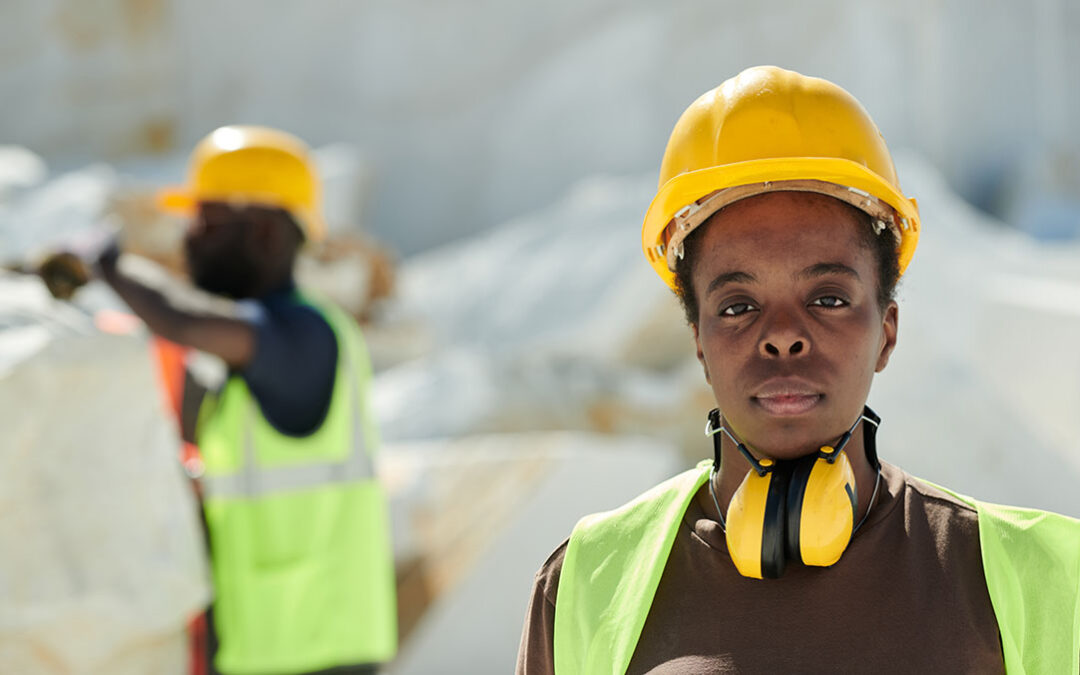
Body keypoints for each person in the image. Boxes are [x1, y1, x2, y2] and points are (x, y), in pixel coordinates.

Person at [516, 66, 1080, 674]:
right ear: (699, 343)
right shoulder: (585, 581)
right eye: (738, 306)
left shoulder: (1044, 581)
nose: (783, 336)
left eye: (828, 299)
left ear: (887, 333)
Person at [97, 125, 397, 675]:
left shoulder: (305, 336)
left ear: (261, 231)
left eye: (207, 220)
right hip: (270, 650)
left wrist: (106, 263)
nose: (189, 239)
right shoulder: (255, 351)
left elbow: (181, 320)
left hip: (320, 651)